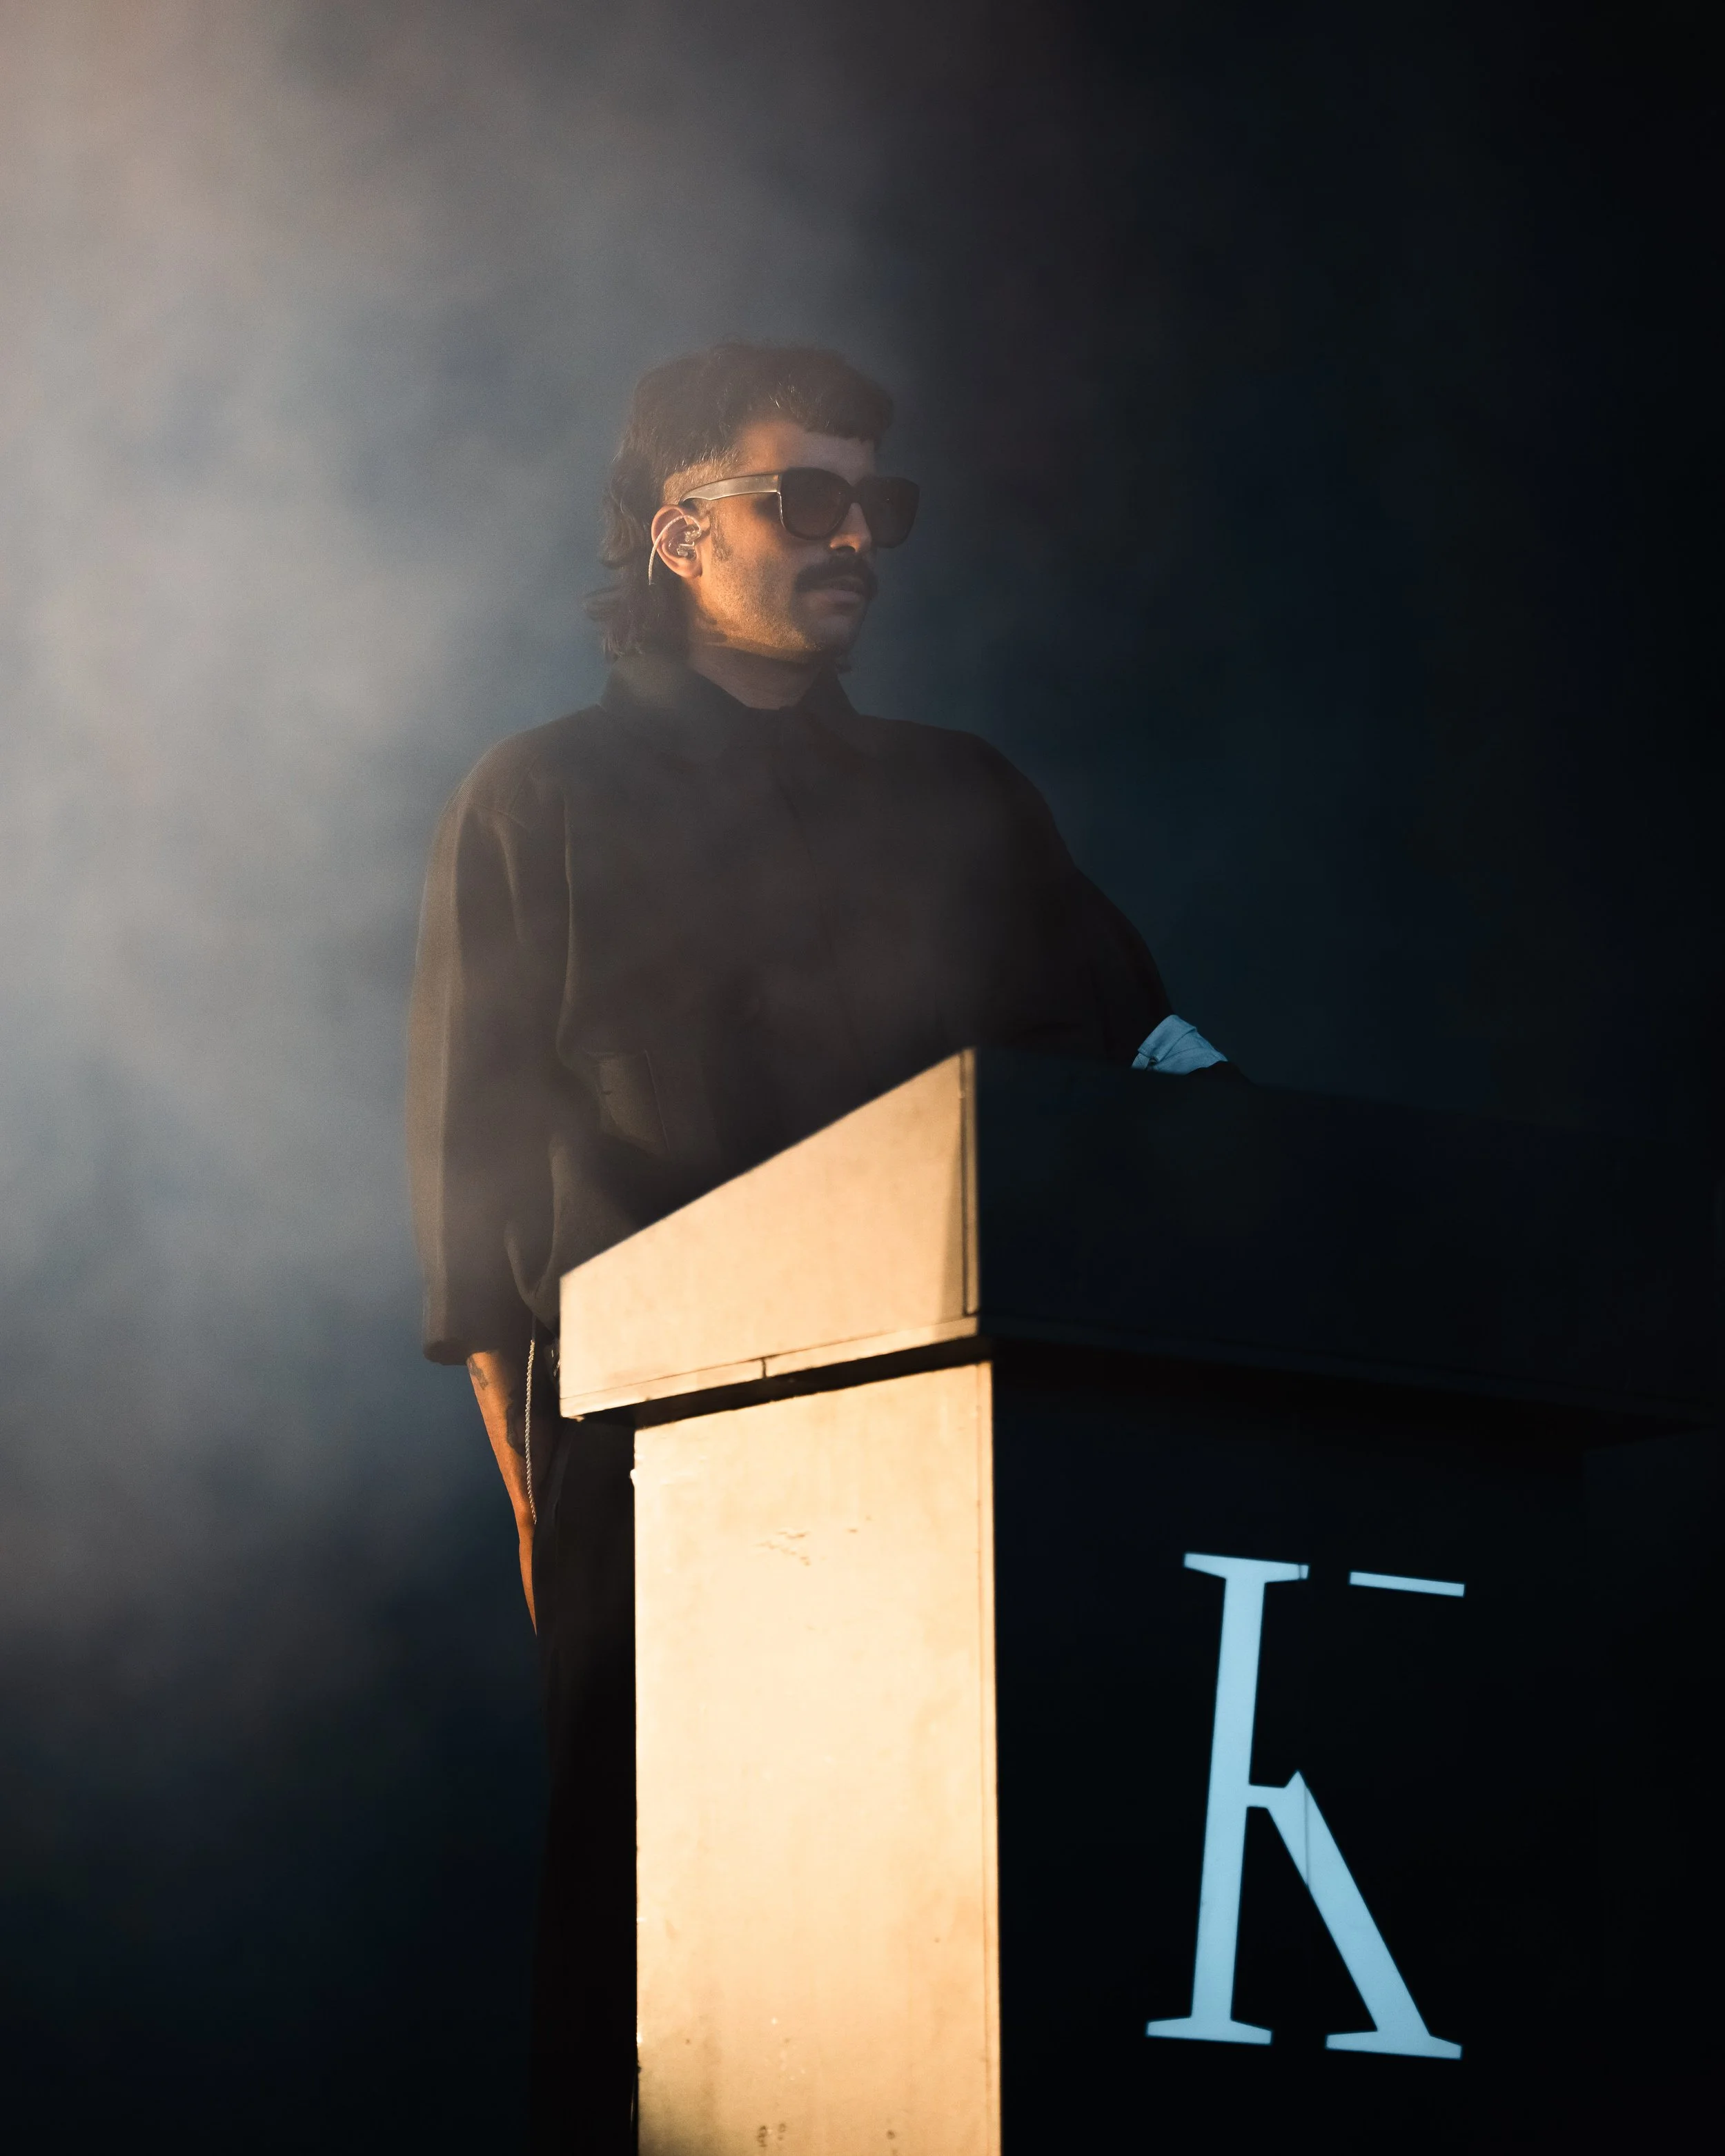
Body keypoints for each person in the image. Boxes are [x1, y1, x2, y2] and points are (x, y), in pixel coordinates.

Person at [406, 341, 1229, 2149]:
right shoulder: (540, 795)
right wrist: (557, 1512)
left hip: (945, 1450)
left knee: (934, 1922)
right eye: (810, 495)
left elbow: (1154, 1066)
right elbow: (479, 1222)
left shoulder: (963, 793)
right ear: (681, 528)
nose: (858, 531)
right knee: (660, 1923)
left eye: (882, 502)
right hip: (665, 1460)